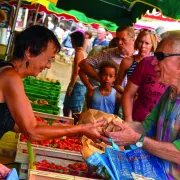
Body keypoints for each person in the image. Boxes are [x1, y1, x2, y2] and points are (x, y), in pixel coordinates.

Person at [0, 25, 104, 145]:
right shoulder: (10, 77)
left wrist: (62, 129)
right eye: (49, 59)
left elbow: (18, 125)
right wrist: (80, 128)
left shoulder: (6, 70)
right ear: (29, 52)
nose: (48, 66)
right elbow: (32, 131)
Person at [102, 32, 180, 180]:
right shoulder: (169, 92)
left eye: (160, 57)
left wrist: (137, 139)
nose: (153, 62)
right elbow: (146, 127)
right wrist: (118, 127)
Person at [79, 26, 135, 91]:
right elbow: (83, 64)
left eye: (123, 39)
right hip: (110, 97)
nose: (119, 42)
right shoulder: (108, 53)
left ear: (133, 40)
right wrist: (103, 80)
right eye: (117, 39)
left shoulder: (140, 57)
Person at [121, 56, 168, 122]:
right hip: (137, 120)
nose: (153, 62)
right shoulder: (145, 63)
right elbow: (128, 94)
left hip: (163, 127)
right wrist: (128, 121)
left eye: (160, 55)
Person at [114, 29, 157, 93]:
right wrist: (127, 94)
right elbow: (117, 84)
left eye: (147, 43)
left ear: (152, 45)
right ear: (137, 42)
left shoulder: (156, 64)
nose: (143, 46)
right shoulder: (127, 61)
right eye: (140, 42)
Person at [63, 31, 87, 117]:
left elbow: (76, 72)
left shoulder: (79, 53)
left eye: (71, 40)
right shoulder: (81, 52)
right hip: (78, 84)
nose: (70, 42)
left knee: (74, 110)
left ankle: (72, 128)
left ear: (75, 41)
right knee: (67, 107)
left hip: (78, 84)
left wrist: (71, 86)